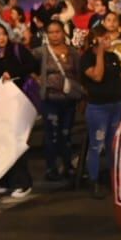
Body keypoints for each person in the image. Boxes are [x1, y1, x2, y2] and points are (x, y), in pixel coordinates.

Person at [0, 24, 37, 198]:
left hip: (16, 103)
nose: (1, 38)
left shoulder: (16, 50)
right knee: (0, 142)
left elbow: (32, 65)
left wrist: (12, 72)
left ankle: (22, 182)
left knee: (16, 141)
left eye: (3, 34)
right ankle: (3, 180)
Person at [81, 25, 121, 199]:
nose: (109, 41)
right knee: (96, 145)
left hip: (115, 105)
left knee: (112, 145)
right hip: (98, 108)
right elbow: (98, 76)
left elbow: (119, 75)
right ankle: (94, 179)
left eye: (109, 38)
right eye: (104, 38)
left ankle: (113, 180)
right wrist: (99, 52)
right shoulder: (87, 59)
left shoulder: (113, 56)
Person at [37, 20, 83, 180]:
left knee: (66, 134)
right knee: (51, 135)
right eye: (51, 32)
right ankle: (51, 168)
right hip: (50, 100)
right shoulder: (41, 52)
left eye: (57, 31)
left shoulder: (73, 52)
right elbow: (26, 66)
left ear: (63, 33)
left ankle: (67, 165)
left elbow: (78, 75)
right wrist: (37, 79)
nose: (54, 35)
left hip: (69, 100)